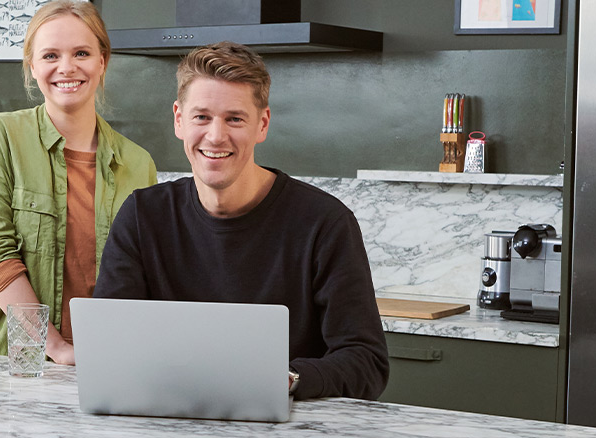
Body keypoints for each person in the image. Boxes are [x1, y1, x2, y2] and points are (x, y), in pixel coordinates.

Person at [92, 42, 388, 400]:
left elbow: (367, 362)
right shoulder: (142, 215)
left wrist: (287, 378)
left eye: (234, 119)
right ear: (179, 120)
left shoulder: (325, 224)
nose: (216, 136)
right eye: (202, 117)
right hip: (167, 420)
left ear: (262, 124)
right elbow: (111, 345)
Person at [0, 0, 158, 364]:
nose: (67, 67)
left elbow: (147, 276)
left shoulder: (138, 163)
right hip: (8, 363)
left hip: (106, 361)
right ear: (32, 66)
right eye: (50, 55)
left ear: (103, 61)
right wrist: (54, 346)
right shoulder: (0, 136)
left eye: (81, 52)